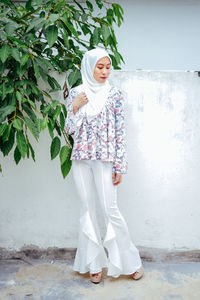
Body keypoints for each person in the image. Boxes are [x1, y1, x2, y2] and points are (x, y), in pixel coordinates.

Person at [65, 48, 144, 284]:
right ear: (89, 67)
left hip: (106, 160)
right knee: (87, 209)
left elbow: (120, 132)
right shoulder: (77, 93)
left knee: (111, 210)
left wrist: (120, 165)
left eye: (108, 67)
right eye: (100, 67)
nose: (105, 71)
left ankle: (131, 263)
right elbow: (69, 129)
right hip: (81, 159)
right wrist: (75, 107)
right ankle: (94, 264)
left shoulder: (115, 94)